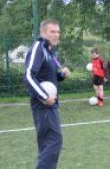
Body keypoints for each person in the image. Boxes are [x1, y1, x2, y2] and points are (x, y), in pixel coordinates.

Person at [24, 19, 70, 169]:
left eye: (58, 32)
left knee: (46, 145)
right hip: (44, 105)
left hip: (49, 105)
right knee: (54, 141)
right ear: (43, 32)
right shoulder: (38, 47)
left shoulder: (49, 50)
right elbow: (29, 76)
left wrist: (62, 75)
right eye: (52, 31)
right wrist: (44, 97)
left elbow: (49, 78)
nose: (56, 35)